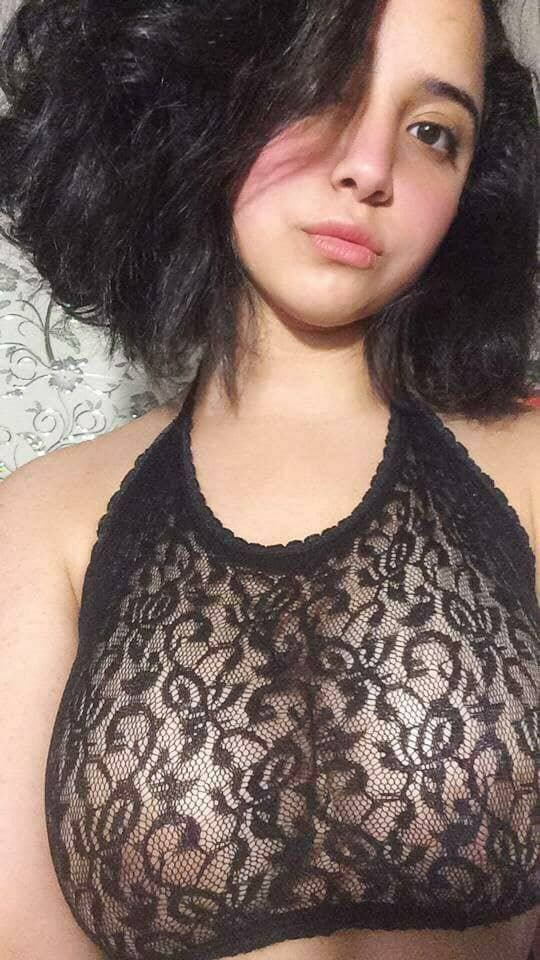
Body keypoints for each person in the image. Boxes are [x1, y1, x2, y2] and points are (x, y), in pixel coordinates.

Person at [0, 0, 538, 958]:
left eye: (432, 131)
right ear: (207, 99)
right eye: (322, 90)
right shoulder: (41, 519)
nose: (370, 166)